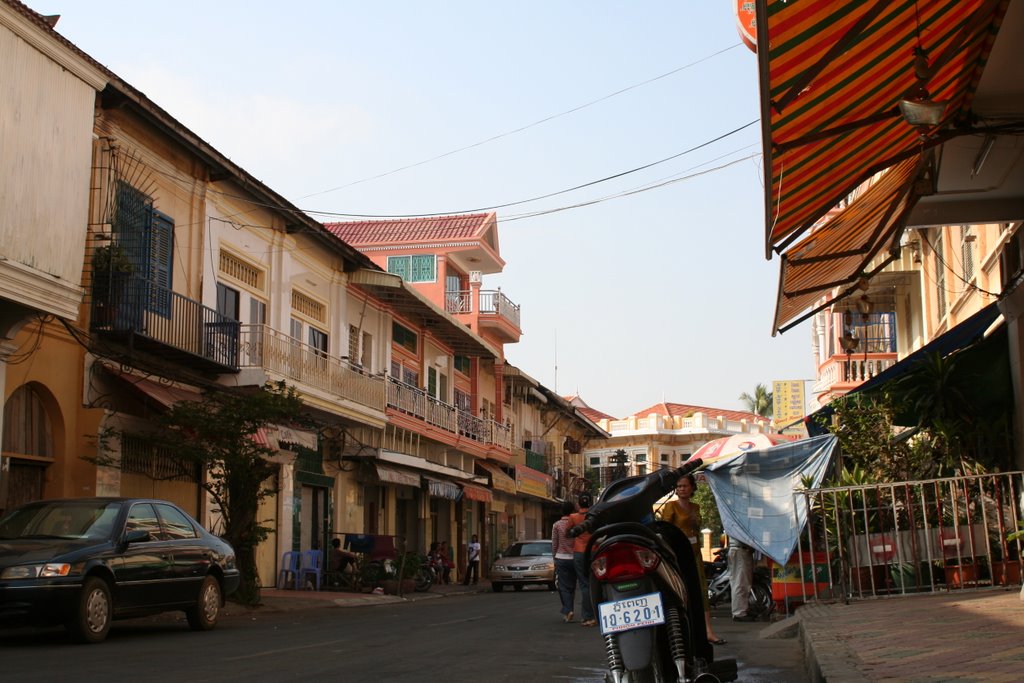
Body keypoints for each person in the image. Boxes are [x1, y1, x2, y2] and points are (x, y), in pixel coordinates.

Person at [657, 474, 726, 644]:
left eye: (685, 486)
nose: (681, 489)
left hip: (694, 553)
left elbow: (696, 528)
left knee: (701, 591)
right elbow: (665, 531)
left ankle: (708, 630)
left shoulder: (695, 507)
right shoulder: (670, 507)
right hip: (677, 554)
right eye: (679, 486)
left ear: (692, 488)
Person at [569, 492, 596, 626]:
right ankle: (594, 615)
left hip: (579, 552)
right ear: (590, 503)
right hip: (594, 551)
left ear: (578, 503)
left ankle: (587, 616)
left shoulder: (573, 517)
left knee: (584, 585)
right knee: (595, 583)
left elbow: (568, 533)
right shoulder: (595, 516)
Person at [551, 499, 577, 622]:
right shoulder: (576, 524)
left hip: (561, 558)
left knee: (563, 586)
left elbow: (554, 543)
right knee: (572, 586)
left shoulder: (556, 525)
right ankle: (569, 610)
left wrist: (554, 558)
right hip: (575, 557)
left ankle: (568, 610)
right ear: (572, 511)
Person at [728, 536, 756, 622]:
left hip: (739, 550)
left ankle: (742, 610)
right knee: (740, 582)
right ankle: (739, 613)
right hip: (740, 550)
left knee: (740, 582)